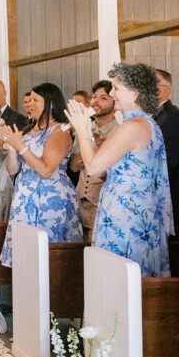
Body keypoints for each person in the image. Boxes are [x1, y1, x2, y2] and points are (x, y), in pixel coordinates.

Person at [67, 64, 172, 276]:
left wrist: (82, 130)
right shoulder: (148, 124)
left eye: (116, 88)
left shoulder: (132, 127)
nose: (112, 94)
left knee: (120, 277)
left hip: (126, 214)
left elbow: (94, 167)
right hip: (138, 209)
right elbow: (110, 168)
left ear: (135, 93)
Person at [0, 83, 81, 267]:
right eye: (29, 100)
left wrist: (20, 146)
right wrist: (12, 152)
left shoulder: (60, 131)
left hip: (49, 196)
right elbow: (13, 170)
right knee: (25, 252)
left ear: (50, 103)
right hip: (25, 195)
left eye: (36, 100)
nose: (30, 104)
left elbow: (46, 170)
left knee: (47, 253)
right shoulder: (28, 130)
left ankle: (51, 292)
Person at [68, 80, 120, 243]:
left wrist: (96, 152)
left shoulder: (120, 131)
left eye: (103, 98)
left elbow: (107, 171)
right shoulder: (84, 127)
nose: (96, 101)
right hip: (79, 201)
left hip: (101, 204)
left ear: (114, 101)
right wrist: (89, 144)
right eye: (94, 97)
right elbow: (74, 166)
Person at [153, 69, 179, 234]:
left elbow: (167, 164)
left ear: (165, 91)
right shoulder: (159, 117)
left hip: (172, 202)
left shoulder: (172, 119)